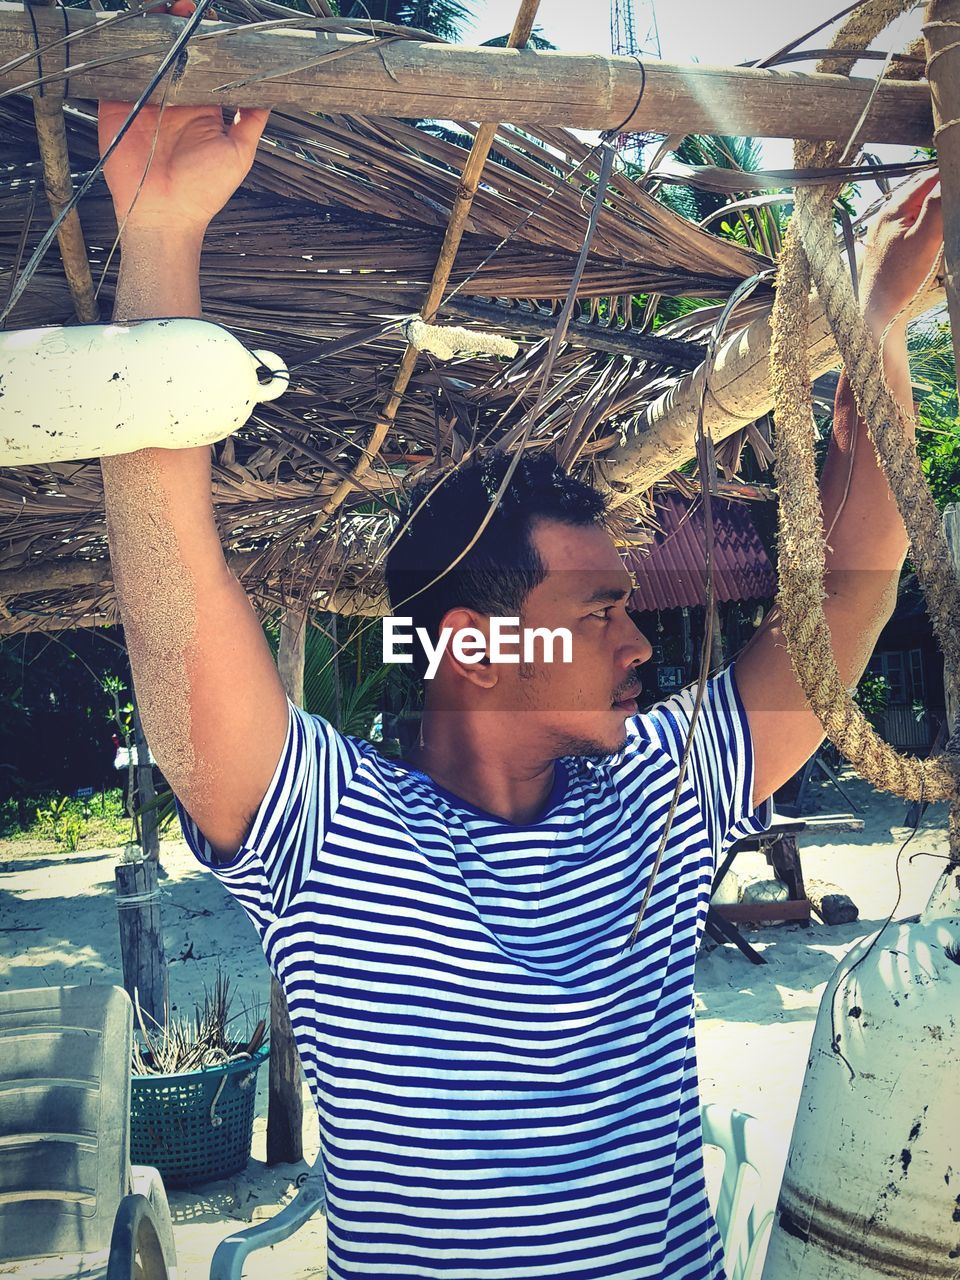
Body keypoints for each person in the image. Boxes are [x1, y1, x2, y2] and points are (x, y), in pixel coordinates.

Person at [97, 22, 943, 1274]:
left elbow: (845, 612)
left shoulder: (662, 792)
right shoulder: (332, 836)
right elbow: (175, 605)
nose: (638, 647)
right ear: (476, 649)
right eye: (601, 608)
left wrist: (876, 320)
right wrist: (161, 237)